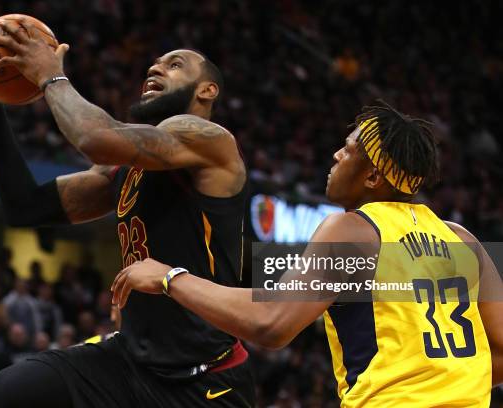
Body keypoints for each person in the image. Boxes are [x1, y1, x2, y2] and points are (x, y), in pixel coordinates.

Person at [114, 103, 503, 407]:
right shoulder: (462, 239)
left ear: (372, 178)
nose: (335, 155)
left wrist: (170, 278)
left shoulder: (355, 231)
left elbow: (272, 322)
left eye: (349, 150)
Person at [0, 17, 254, 408]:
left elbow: (95, 138)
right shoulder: (122, 170)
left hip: (205, 378)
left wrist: (51, 76)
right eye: (154, 64)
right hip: (131, 362)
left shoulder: (211, 141)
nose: (155, 67)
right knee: (8, 393)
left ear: (208, 90)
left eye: (174, 65)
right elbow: (25, 206)